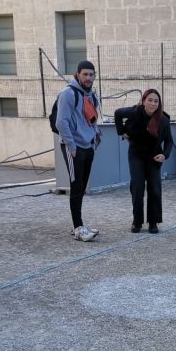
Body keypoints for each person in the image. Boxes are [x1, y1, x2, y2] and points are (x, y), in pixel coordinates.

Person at [114, 89, 172, 234]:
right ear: (144, 100)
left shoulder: (163, 120)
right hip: (136, 154)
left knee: (154, 188)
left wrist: (165, 155)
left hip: (154, 156)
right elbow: (117, 113)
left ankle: (153, 222)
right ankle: (137, 222)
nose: (153, 103)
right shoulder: (134, 112)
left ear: (159, 104)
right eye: (150, 100)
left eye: (156, 101)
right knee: (137, 187)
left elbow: (170, 141)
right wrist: (121, 132)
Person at [56, 60, 102, 242]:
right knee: (76, 188)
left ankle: (78, 224)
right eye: (85, 74)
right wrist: (72, 146)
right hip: (73, 147)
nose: (88, 78)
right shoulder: (68, 94)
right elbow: (61, 122)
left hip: (88, 145)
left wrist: (96, 135)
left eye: (91, 74)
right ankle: (78, 228)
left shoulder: (91, 94)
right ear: (78, 74)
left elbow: (92, 118)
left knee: (82, 187)